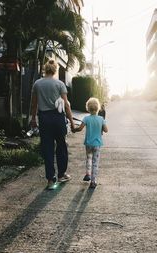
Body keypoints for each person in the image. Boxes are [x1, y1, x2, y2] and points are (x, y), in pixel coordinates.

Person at [30, 59, 75, 190]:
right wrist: (72, 122)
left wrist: (33, 119)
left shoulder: (37, 84)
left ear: (45, 69)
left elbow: (34, 104)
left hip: (44, 118)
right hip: (58, 118)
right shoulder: (60, 84)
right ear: (55, 70)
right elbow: (66, 105)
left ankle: (50, 180)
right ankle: (61, 175)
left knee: (47, 148)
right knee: (61, 145)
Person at [72, 97, 108, 188]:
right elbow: (106, 130)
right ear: (98, 108)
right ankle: (93, 181)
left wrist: (74, 130)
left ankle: (87, 174)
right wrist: (102, 127)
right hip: (97, 144)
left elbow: (80, 129)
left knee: (88, 158)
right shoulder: (101, 119)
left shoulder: (86, 118)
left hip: (88, 143)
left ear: (88, 108)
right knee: (95, 162)